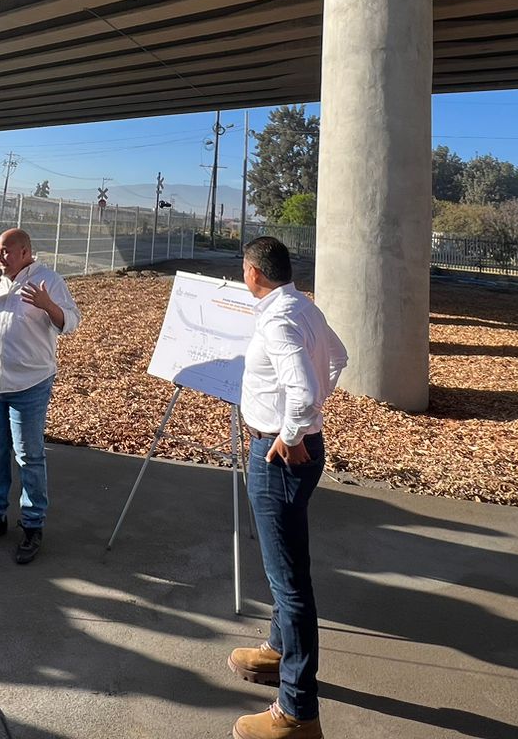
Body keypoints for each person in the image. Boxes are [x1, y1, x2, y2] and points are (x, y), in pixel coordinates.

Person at [225, 236, 349, 739]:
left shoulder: (278, 320)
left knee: (289, 583)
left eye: (244, 269)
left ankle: (298, 712)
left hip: (277, 456)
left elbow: (304, 388)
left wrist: (291, 432)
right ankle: (278, 651)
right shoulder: (302, 307)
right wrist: (304, 423)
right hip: (293, 449)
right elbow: (338, 357)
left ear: (253, 273)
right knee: (287, 568)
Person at [0, 227, 78, 565]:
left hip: (29, 383)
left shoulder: (48, 280)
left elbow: (71, 322)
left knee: (29, 456)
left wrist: (48, 305)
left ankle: (32, 524)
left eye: (6, 251)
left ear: (25, 252)